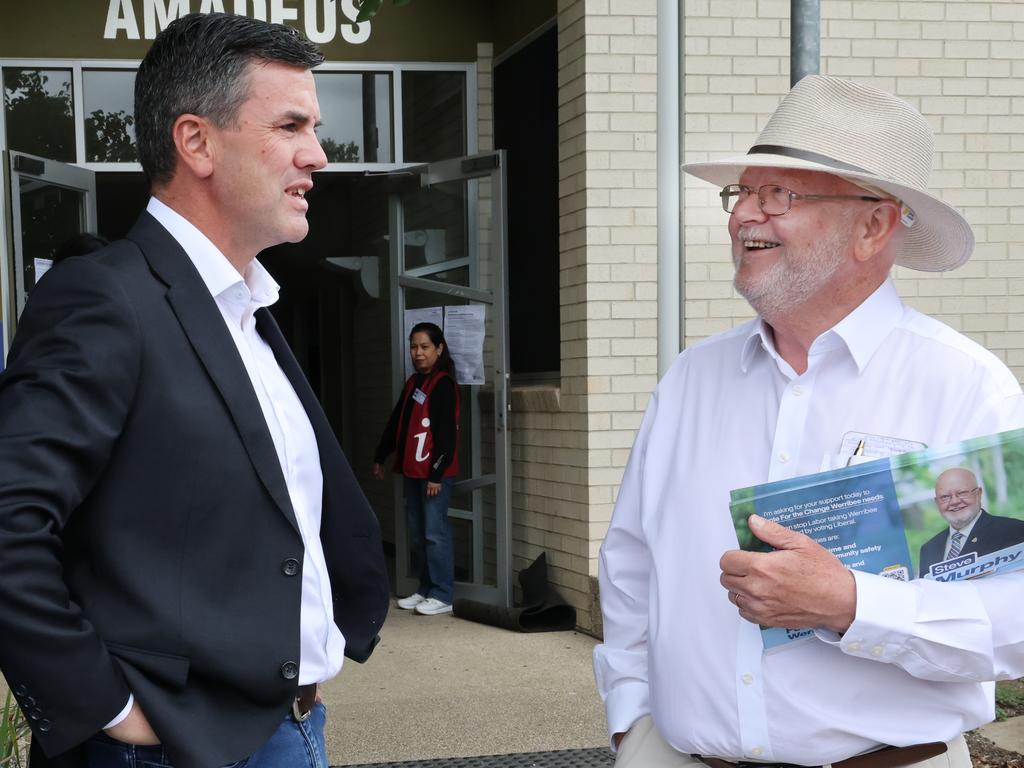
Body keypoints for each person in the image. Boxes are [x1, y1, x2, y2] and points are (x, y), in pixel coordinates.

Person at [595, 75, 1024, 768]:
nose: (743, 217)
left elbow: (1015, 622)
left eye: (780, 196)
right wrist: (633, 722)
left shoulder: (967, 389)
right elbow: (630, 567)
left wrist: (851, 604)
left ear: (874, 225)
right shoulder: (689, 382)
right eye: (743, 193)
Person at [0, 13, 389, 768]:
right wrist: (105, 708)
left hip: (291, 724)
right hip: (167, 749)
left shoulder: (246, 312)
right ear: (196, 142)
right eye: (290, 125)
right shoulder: (106, 299)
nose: (318, 155)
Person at [373, 322, 460, 616]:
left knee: (435, 533)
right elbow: (398, 421)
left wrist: (436, 474)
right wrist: (381, 455)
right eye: (413, 346)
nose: (418, 353)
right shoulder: (414, 382)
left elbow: (447, 436)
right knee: (419, 532)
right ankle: (425, 588)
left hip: (434, 476)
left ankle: (443, 593)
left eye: (424, 347)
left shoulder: (443, 384)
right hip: (413, 472)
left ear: (439, 348)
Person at [918, 468, 1024, 577]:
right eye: (945, 497)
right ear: (937, 502)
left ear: (978, 493)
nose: (955, 501)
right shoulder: (928, 549)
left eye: (962, 493)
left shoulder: (1013, 531)